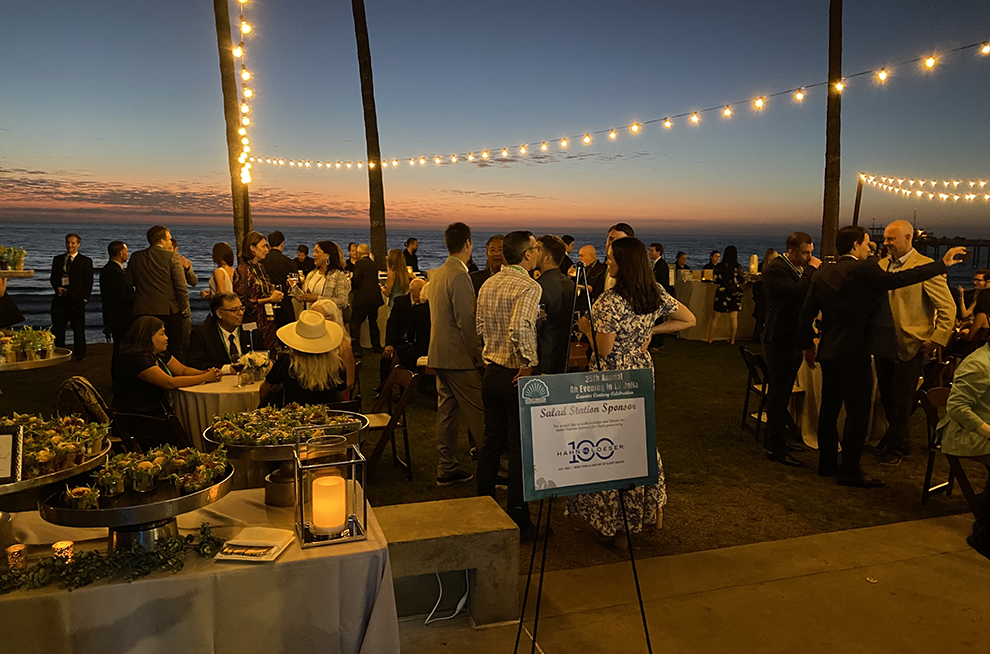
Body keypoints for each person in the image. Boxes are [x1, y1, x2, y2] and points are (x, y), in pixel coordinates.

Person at [798, 225, 965, 487]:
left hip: (830, 351)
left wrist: (808, 345)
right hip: (856, 352)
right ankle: (850, 470)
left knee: (829, 409)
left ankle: (826, 463)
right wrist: (940, 264)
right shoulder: (865, 269)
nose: (871, 247)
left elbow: (806, 314)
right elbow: (898, 280)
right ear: (854, 246)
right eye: (866, 243)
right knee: (857, 412)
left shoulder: (823, 273)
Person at [572, 237, 695, 546]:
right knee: (639, 440)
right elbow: (688, 319)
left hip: (612, 376)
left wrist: (586, 328)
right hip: (640, 371)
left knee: (608, 445)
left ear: (624, 263)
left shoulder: (609, 301)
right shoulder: (653, 293)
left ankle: (615, 521)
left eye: (611, 257)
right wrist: (649, 330)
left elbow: (604, 348)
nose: (607, 261)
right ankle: (646, 509)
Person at [476, 231, 544, 536]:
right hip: (514, 375)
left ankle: (482, 505)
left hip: (491, 370)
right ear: (527, 255)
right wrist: (528, 362)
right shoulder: (530, 286)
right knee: (519, 449)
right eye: (536, 248)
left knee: (491, 442)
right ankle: (518, 517)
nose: (539, 252)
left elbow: (480, 324)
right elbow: (519, 326)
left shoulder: (489, 282)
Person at [875, 220, 957, 466]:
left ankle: (896, 448)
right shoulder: (881, 266)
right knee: (886, 396)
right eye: (886, 239)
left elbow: (948, 307)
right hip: (883, 342)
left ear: (908, 238)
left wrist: (935, 339)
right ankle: (899, 441)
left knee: (902, 398)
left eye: (891, 239)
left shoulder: (925, 268)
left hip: (911, 343)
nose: (886, 243)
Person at [428, 222, 487, 486]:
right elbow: (467, 320)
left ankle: (446, 466)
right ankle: (492, 468)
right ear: (468, 244)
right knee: (480, 415)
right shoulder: (460, 276)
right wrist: (478, 356)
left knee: (447, 413)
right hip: (460, 359)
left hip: (439, 354)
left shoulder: (438, 273)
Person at [112, 316, 221, 447]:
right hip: (138, 416)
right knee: (181, 430)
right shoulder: (137, 360)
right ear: (148, 337)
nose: (166, 338)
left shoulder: (160, 354)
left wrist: (206, 373)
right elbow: (169, 382)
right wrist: (205, 378)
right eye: (162, 334)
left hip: (156, 410)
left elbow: (183, 370)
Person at [761, 232, 821, 467]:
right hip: (780, 339)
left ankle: (775, 439)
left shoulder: (791, 269)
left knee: (782, 392)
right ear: (792, 250)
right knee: (779, 392)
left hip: (790, 337)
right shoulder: (777, 269)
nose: (810, 257)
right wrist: (812, 270)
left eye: (811, 252)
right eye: (806, 252)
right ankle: (775, 446)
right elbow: (798, 291)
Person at [936, 342, 990, 558]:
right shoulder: (979, 364)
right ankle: (983, 532)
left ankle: (984, 514)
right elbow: (957, 407)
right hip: (965, 435)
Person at [127, 225, 191, 360]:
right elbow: (181, 286)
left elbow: (129, 282)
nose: (170, 241)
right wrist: (184, 306)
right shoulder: (172, 257)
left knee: (144, 348)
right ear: (162, 241)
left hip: (142, 309)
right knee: (172, 348)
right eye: (169, 239)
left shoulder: (136, 257)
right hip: (168, 310)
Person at [260, 310, 349, 407]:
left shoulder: (287, 362)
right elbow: (340, 398)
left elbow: (264, 391)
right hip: (328, 418)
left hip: (292, 419)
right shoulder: (337, 366)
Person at [233, 231, 284, 351]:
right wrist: (270, 299)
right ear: (252, 248)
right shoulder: (242, 271)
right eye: (263, 246)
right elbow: (243, 303)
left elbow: (261, 291)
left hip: (268, 322)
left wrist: (272, 294)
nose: (267, 250)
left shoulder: (261, 268)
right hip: (252, 324)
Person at [534, 234, 575, 375]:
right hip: (564, 355)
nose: (533, 253)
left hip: (543, 357)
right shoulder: (570, 284)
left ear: (547, 257)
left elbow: (536, 324)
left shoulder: (538, 287)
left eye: (537, 249)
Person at [50, 233, 94, 361]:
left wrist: (85, 299)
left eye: (73, 243)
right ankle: (59, 354)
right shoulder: (58, 259)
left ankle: (80, 356)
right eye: (68, 242)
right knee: (58, 330)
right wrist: (56, 288)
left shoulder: (85, 261)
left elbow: (88, 281)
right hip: (60, 300)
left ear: (78, 244)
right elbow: (53, 277)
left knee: (78, 330)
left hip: (76, 301)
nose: (70, 245)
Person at [186, 292, 252, 373]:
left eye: (241, 308)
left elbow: (263, 355)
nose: (241, 313)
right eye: (234, 310)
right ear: (219, 314)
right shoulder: (202, 334)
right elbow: (194, 364)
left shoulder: (250, 331)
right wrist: (227, 369)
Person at [381, 278, 430, 381]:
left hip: (416, 342)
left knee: (402, 355)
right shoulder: (401, 302)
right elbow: (392, 324)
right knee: (387, 356)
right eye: (420, 289)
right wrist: (389, 344)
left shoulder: (425, 307)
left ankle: (400, 384)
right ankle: (384, 385)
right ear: (412, 290)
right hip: (401, 338)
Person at [292, 240, 350, 318]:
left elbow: (343, 302)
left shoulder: (338, 275)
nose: (313, 255)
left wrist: (317, 298)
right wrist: (293, 287)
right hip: (308, 319)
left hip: (327, 320)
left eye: (317, 252)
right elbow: (304, 297)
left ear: (327, 255)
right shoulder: (311, 274)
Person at [311, 299, 357, 397]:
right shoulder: (311, 341)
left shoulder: (343, 345)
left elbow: (349, 383)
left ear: (332, 319)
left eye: (318, 318)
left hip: (334, 395)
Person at [100, 240, 134, 361]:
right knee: (121, 347)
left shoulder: (111, 269)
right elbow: (120, 296)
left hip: (115, 316)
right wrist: (137, 296)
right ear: (120, 253)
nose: (127, 254)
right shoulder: (114, 271)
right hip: (119, 317)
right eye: (126, 251)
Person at [349, 244, 384, 357]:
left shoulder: (359, 264)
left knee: (355, 323)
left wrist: (353, 287)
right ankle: (377, 346)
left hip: (362, 297)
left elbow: (357, 278)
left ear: (359, 253)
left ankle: (357, 349)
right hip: (374, 297)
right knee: (373, 322)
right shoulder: (373, 264)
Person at [707, 245, 745, 345]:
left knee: (716, 316)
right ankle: (732, 340)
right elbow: (742, 279)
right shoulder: (738, 267)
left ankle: (710, 338)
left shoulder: (719, 266)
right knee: (734, 317)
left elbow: (715, 280)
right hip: (735, 293)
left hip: (723, 292)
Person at [262, 230, 299, 327]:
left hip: (266, 301)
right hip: (285, 303)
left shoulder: (261, 261)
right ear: (282, 244)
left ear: (268, 245)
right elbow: (295, 284)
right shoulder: (289, 262)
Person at [751, 248, 779, 343]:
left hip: (761, 294)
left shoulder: (762, 266)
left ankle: (756, 337)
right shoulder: (776, 267)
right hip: (769, 295)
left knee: (760, 317)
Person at [603, 223, 634, 291]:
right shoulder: (602, 269)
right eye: (610, 239)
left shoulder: (633, 276)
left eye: (619, 241)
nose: (613, 244)